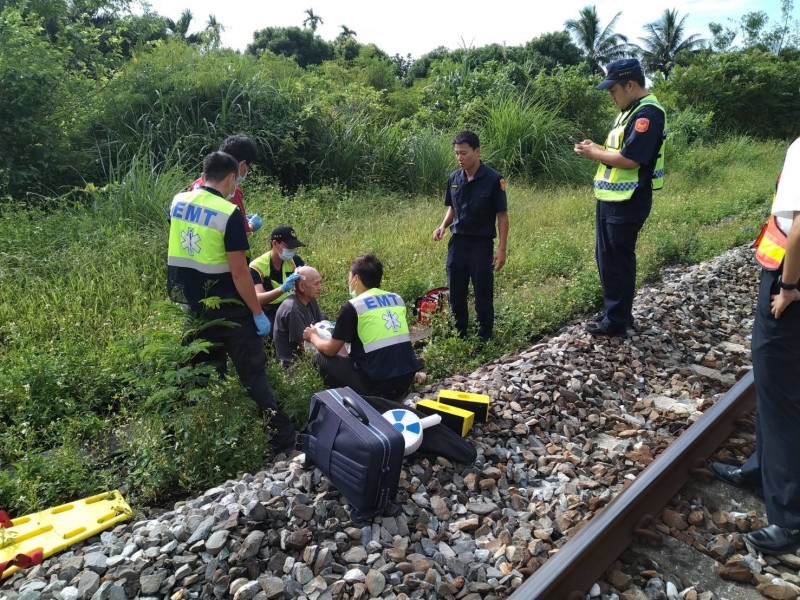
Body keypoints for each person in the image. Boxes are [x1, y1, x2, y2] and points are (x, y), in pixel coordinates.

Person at [167, 151, 296, 454]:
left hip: (196, 304)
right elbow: (240, 273)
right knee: (253, 372)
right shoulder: (228, 213)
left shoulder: (178, 202)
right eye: (235, 181)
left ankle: (174, 438)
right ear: (229, 178)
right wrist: (256, 312)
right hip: (230, 307)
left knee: (190, 371)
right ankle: (282, 438)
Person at [709, 137, 800, 555]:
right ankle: (761, 468)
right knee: (772, 382)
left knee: (780, 391)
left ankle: (790, 518)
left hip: (790, 284)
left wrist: (789, 286)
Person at [574, 58, 666, 337]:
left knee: (617, 260)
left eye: (613, 90)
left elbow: (631, 159)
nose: (611, 96)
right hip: (613, 198)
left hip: (628, 201)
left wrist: (594, 154)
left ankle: (616, 322)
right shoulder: (631, 112)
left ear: (630, 84)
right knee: (607, 257)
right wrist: (598, 147)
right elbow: (619, 150)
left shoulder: (647, 115)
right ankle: (615, 313)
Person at [303, 254, 422, 400]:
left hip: (376, 385)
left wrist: (313, 336)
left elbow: (330, 350)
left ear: (356, 279)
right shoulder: (396, 299)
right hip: (406, 378)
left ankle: (357, 400)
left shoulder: (353, 306)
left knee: (319, 357)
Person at [432, 131, 509, 342]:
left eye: (464, 153)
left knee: (483, 295)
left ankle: (484, 338)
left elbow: (502, 216)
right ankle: (460, 336)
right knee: (456, 294)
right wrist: (442, 226)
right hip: (457, 243)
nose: (460, 158)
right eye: (456, 153)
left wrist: (501, 249)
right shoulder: (454, 178)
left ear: (477, 151)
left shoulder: (494, 179)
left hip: (481, 245)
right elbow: (453, 209)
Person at [190, 134, 262, 236]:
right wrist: (251, 225)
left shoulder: (197, 183)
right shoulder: (232, 191)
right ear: (242, 165)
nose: (247, 171)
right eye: (248, 167)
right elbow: (242, 232)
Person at [250, 225, 306, 326]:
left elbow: (309, 279)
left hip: (290, 305)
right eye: (289, 247)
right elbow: (259, 299)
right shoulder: (256, 267)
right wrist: (282, 289)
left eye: (294, 247)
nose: (292, 251)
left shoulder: (294, 260)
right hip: (268, 310)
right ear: (275, 243)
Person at [273, 265, 325, 365]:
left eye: (320, 283)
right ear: (302, 286)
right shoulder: (292, 308)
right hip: (295, 366)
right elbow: (304, 346)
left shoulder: (311, 300)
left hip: (310, 353)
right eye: (316, 284)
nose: (320, 287)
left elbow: (321, 325)